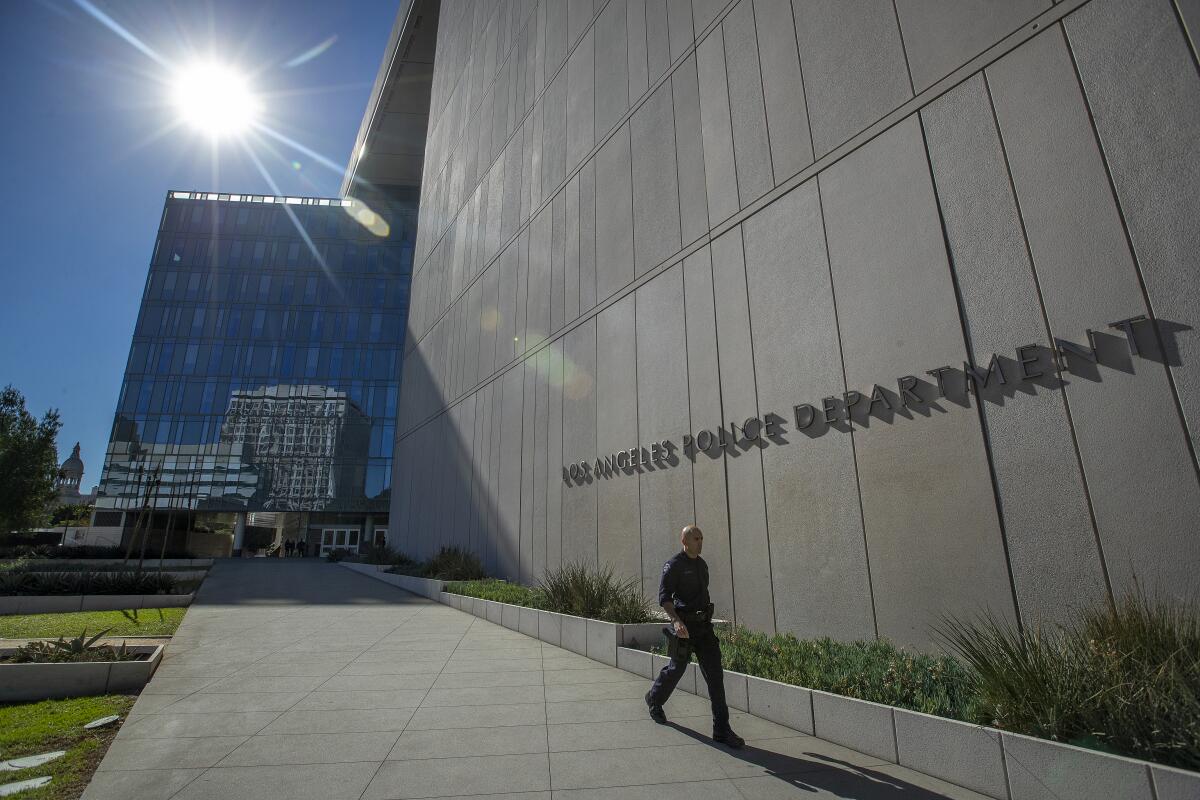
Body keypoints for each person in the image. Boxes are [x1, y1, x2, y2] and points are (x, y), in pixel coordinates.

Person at [645, 524, 744, 748]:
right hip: (684, 628)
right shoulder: (674, 565)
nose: (700, 542)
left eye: (701, 538)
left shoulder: (702, 565)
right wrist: (676, 621)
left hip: (704, 629)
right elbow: (664, 597)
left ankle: (722, 729)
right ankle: (655, 699)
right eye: (696, 538)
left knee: (715, 676)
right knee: (676, 670)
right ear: (685, 541)